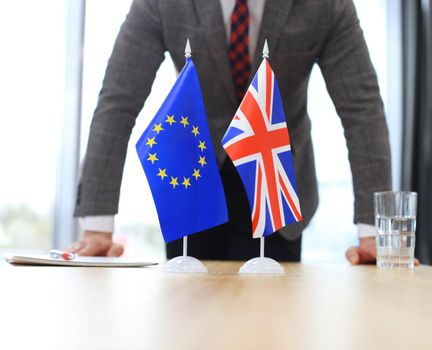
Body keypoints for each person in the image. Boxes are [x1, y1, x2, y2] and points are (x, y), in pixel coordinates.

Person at [68, 0, 392, 264]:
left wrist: (374, 233)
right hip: (193, 179)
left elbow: (361, 110)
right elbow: (118, 102)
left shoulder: (327, 5)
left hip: (275, 182)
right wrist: (97, 226)